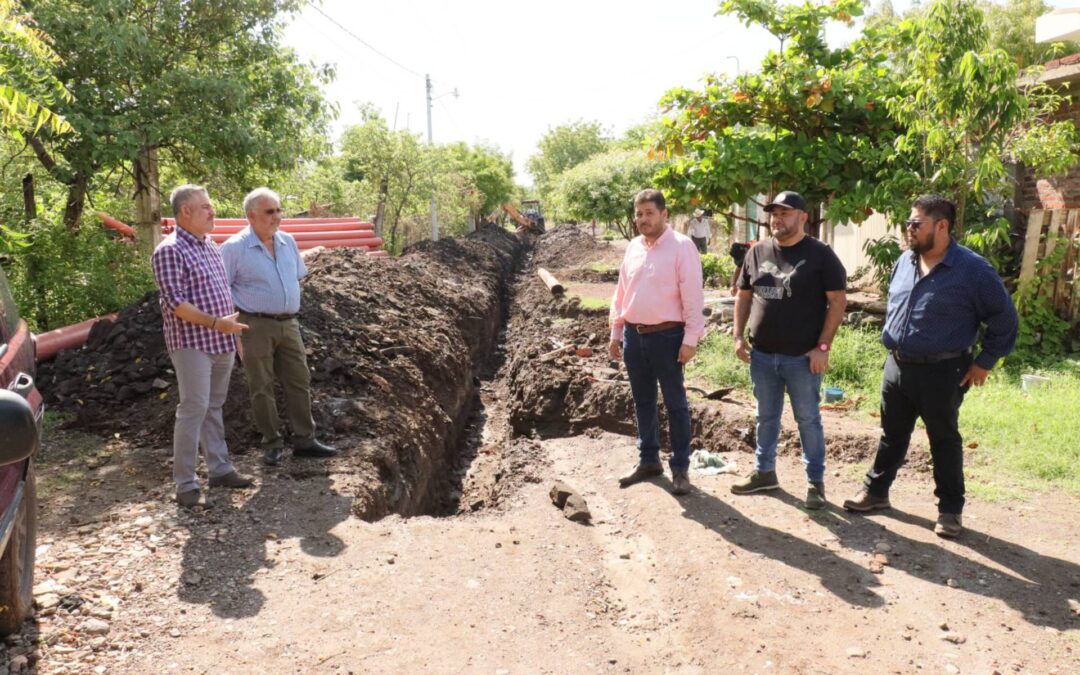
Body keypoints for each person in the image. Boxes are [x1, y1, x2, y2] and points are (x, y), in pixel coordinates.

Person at [842, 195, 1018, 538]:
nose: (909, 230)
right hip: (897, 366)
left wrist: (984, 363)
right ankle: (876, 493)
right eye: (908, 223)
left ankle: (950, 510)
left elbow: (1005, 319)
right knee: (892, 435)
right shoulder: (905, 261)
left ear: (942, 226)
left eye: (916, 224)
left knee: (944, 440)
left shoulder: (973, 270)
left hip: (943, 371)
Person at [730, 191, 847, 509]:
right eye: (773, 213)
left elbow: (837, 301)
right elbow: (743, 295)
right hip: (763, 356)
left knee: (808, 420)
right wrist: (738, 336)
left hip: (802, 358)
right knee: (765, 417)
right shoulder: (758, 252)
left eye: (785, 213)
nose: (777, 219)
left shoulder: (821, 254)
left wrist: (823, 347)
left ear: (803, 217)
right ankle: (764, 473)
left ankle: (815, 483)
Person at [220, 188, 339, 466]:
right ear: (251, 215)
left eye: (279, 210)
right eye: (270, 212)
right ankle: (272, 442)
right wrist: (233, 329)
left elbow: (295, 277)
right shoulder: (234, 247)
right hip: (254, 324)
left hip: (289, 323)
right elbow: (220, 289)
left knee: (299, 380)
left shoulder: (287, 241)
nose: (277, 217)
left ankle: (304, 440)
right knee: (261, 385)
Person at [151, 185, 253, 509]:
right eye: (206, 207)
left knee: (214, 406)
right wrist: (215, 324)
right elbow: (176, 303)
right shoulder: (170, 250)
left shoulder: (211, 246)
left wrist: (232, 334)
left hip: (221, 339)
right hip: (193, 342)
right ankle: (185, 486)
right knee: (193, 408)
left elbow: (223, 293)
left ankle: (220, 470)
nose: (213, 212)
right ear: (186, 212)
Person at [609, 189, 705, 496]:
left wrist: (691, 338)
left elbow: (693, 297)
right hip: (634, 338)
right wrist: (616, 331)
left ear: (664, 214)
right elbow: (622, 291)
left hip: (668, 337)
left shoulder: (681, 247)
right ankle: (648, 460)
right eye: (638, 214)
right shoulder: (634, 247)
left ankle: (680, 468)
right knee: (643, 401)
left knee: (676, 404)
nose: (643, 219)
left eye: (649, 213)